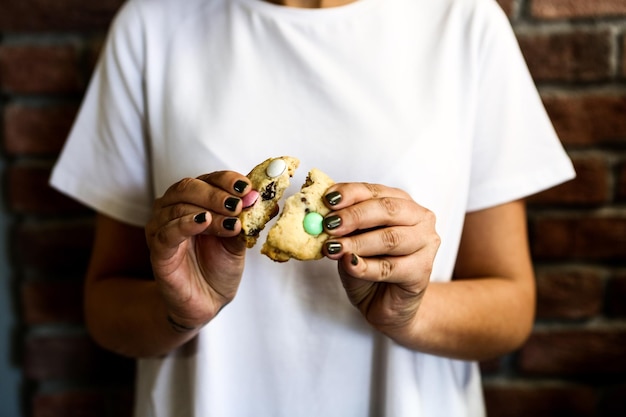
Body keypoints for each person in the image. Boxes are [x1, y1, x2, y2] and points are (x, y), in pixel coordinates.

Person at [50, 0, 576, 415]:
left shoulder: (464, 23)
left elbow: (511, 308)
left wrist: (410, 314)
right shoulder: (152, 25)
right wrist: (177, 312)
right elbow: (105, 306)